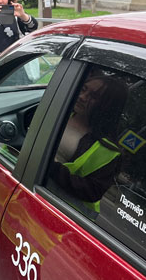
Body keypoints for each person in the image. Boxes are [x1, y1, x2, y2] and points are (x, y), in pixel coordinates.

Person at [50, 73, 128, 213]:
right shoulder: (60, 113)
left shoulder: (108, 150)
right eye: (83, 89)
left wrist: (50, 167)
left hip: (63, 213)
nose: (82, 97)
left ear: (108, 106)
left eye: (93, 97)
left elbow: (93, 191)